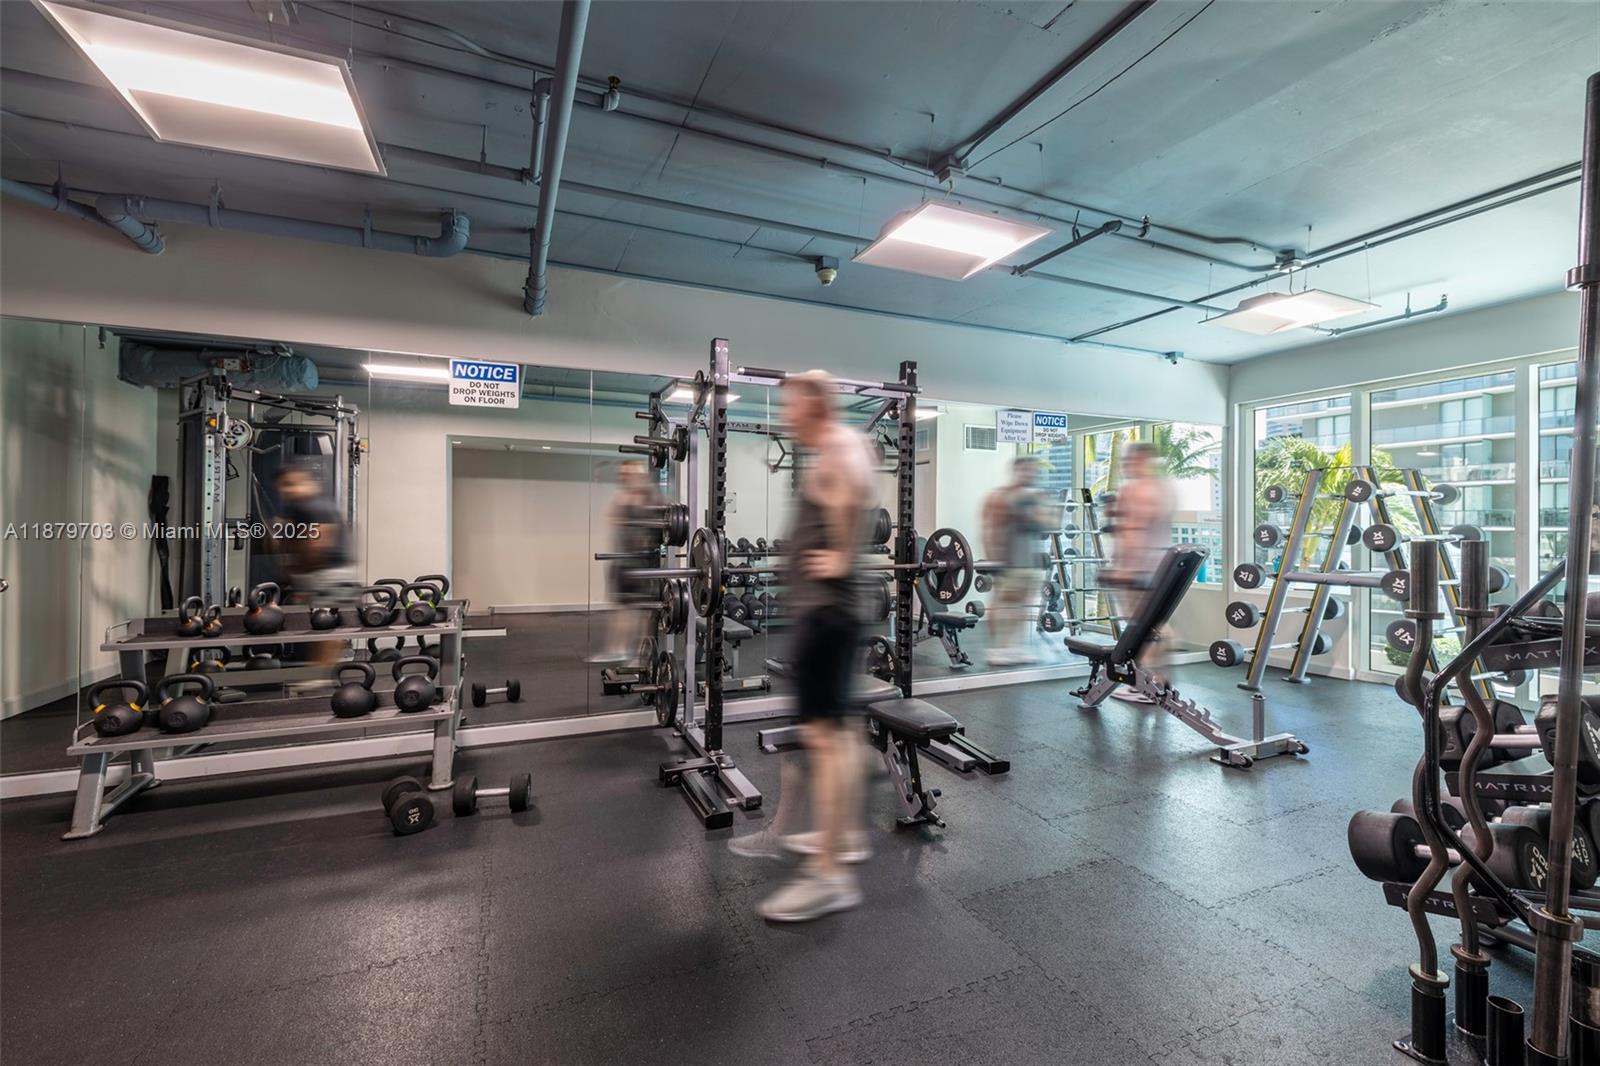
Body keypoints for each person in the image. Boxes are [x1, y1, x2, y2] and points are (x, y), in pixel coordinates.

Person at [730, 370, 877, 923]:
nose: (786, 415)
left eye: (792, 404)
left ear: (812, 405)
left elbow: (847, 507)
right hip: (832, 611)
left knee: (824, 737)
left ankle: (830, 876)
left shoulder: (836, 448)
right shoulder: (842, 445)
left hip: (826, 610)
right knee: (836, 734)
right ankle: (842, 837)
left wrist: (840, 554)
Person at [1103, 442, 1174, 701]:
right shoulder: (1163, 489)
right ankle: (1158, 680)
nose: (1126, 466)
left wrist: (1122, 568)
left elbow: (1134, 531)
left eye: (1129, 461)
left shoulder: (1135, 490)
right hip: (1160, 567)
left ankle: (1147, 684)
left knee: (1140, 627)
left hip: (1138, 568)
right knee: (1156, 624)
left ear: (1142, 461)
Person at [271, 462, 356, 666]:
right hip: (322, 572)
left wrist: (295, 571)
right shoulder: (299, 508)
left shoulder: (313, 505)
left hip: (330, 572)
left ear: (306, 483)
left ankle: (321, 674)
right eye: (283, 486)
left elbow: (318, 543)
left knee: (326, 625)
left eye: (290, 484)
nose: (286, 490)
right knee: (321, 625)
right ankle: (319, 670)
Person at [594, 460, 667, 664]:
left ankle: (641, 655)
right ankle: (616, 649)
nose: (626, 477)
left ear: (641, 476)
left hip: (643, 562)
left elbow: (661, 529)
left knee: (644, 611)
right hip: (621, 561)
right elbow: (612, 520)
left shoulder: (651, 498)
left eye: (630, 473)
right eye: (623, 474)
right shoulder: (620, 497)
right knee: (620, 607)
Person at [980, 456, 1049, 666]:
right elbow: (988, 529)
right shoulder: (1000, 497)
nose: (1030, 474)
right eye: (1025, 470)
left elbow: (1049, 523)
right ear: (1016, 471)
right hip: (1008, 561)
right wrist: (994, 559)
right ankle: (997, 648)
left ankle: (1015, 647)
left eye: (1032, 471)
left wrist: (1034, 517)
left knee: (1023, 607)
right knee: (1003, 606)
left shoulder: (1035, 497)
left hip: (1030, 562)